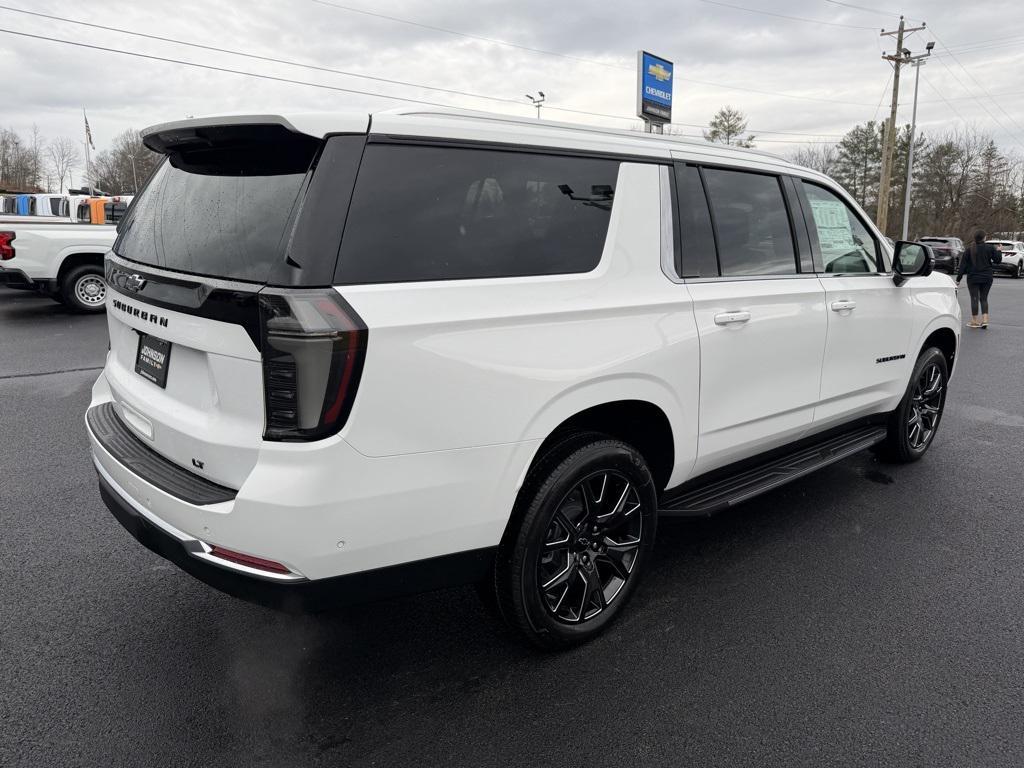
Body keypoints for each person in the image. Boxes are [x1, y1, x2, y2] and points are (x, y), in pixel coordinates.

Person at [956, 229, 1000, 329]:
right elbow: (998, 260)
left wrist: (958, 279)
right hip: (987, 277)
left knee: (974, 298)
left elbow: (962, 266)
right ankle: (985, 320)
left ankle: (974, 321)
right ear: (984, 238)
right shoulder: (990, 248)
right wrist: (999, 251)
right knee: (984, 298)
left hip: (973, 278)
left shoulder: (969, 249)